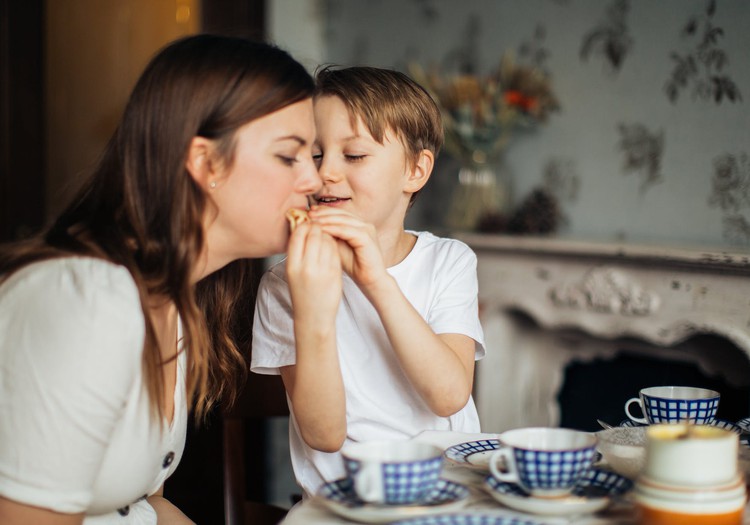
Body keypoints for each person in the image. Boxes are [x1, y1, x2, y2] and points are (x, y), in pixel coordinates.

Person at [0, 34, 326, 524]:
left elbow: (142, 504)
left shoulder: (176, 302)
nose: (315, 181)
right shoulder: (89, 303)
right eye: (288, 156)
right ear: (204, 162)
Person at [251, 65, 486, 496]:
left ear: (415, 170)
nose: (326, 174)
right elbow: (323, 435)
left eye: (354, 155)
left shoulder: (449, 261)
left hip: (447, 494)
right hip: (342, 504)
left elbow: (449, 395)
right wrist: (312, 306)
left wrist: (376, 281)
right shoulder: (286, 283)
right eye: (315, 155)